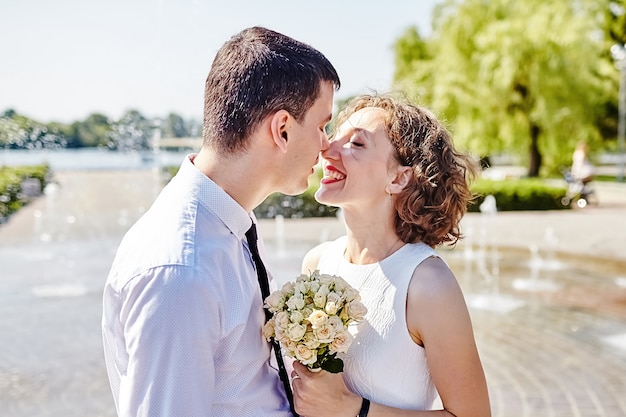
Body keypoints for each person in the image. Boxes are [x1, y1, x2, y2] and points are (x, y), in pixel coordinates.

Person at [101, 26, 340, 417]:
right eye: (321, 125)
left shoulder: (226, 223)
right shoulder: (181, 270)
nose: (327, 144)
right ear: (281, 129)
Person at [291, 94, 491, 417]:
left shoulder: (427, 285)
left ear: (399, 178)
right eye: (334, 135)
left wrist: (353, 409)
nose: (327, 148)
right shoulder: (316, 263)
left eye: (356, 144)